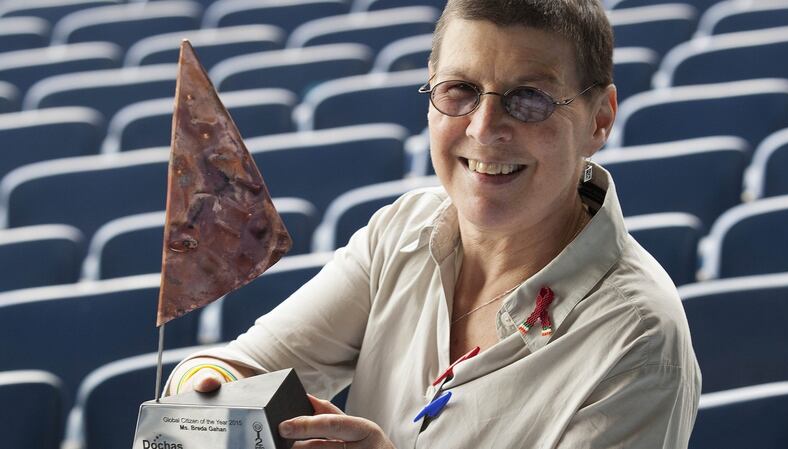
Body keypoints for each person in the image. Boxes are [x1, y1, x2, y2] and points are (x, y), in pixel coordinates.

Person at [164, 0, 701, 447]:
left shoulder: (640, 340)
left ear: (600, 120)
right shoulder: (402, 230)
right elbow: (238, 366)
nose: (484, 128)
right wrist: (204, 394)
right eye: (459, 90)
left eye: (530, 99)